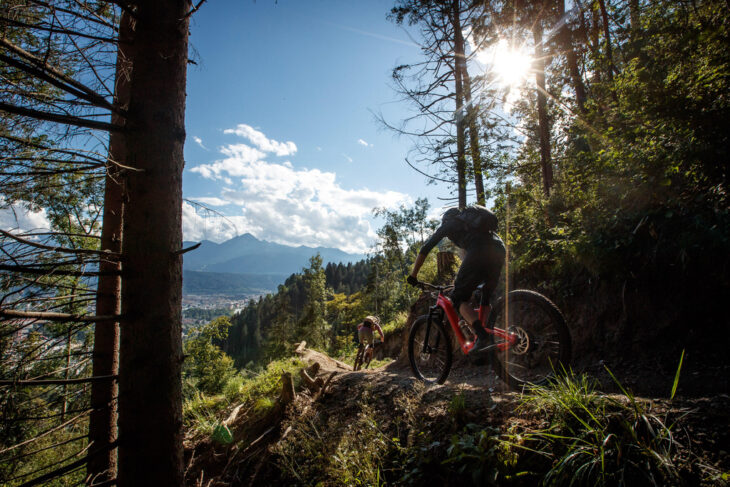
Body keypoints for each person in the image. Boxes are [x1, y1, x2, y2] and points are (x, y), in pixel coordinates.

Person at [407, 205, 505, 352]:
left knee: (458, 299)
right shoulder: (472, 226)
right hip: (498, 248)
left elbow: (425, 248)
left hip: (479, 249)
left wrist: (413, 275)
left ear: (446, 219)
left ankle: (482, 336)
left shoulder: (450, 223)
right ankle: (484, 337)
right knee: (484, 294)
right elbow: (470, 263)